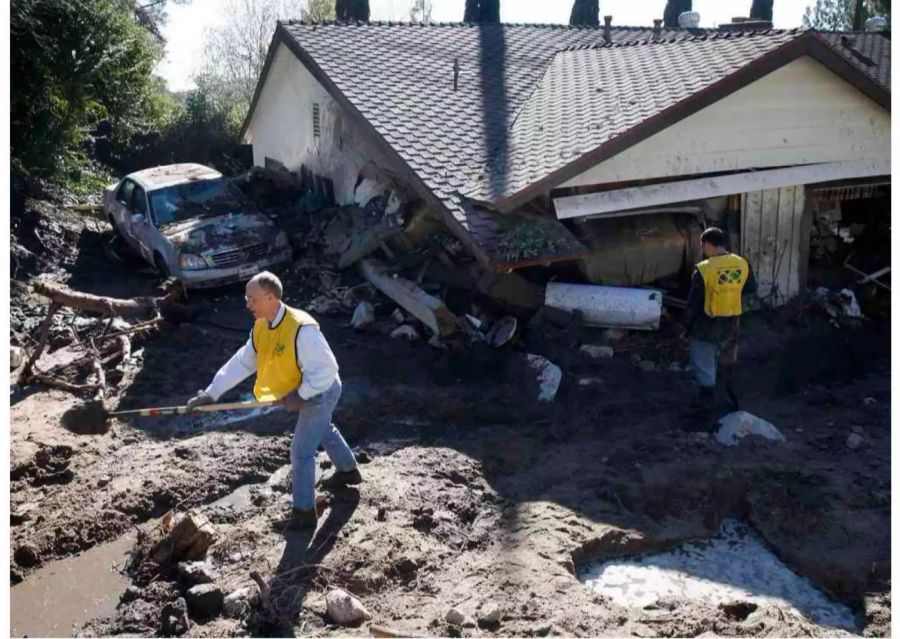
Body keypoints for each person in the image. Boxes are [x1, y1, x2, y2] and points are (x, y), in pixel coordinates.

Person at [186, 271, 361, 531]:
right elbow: (242, 362)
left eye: (252, 299)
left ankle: (304, 515)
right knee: (321, 428)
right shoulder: (262, 327)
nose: (247, 304)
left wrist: (300, 395)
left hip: (321, 390)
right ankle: (348, 472)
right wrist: (211, 393)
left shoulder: (302, 328)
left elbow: (327, 369)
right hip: (303, 389)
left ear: (270, 298)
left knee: (301, 452)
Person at [683, 227, 757, 411]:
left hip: (706, 323)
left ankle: (706, 399)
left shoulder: (704, 270)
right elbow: (749, 292)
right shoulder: (742, 263)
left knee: (703, 357)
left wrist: (686, 326)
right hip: (731, 321)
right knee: (723, 356)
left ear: (706, 245)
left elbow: (694, 302)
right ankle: (726, 392)